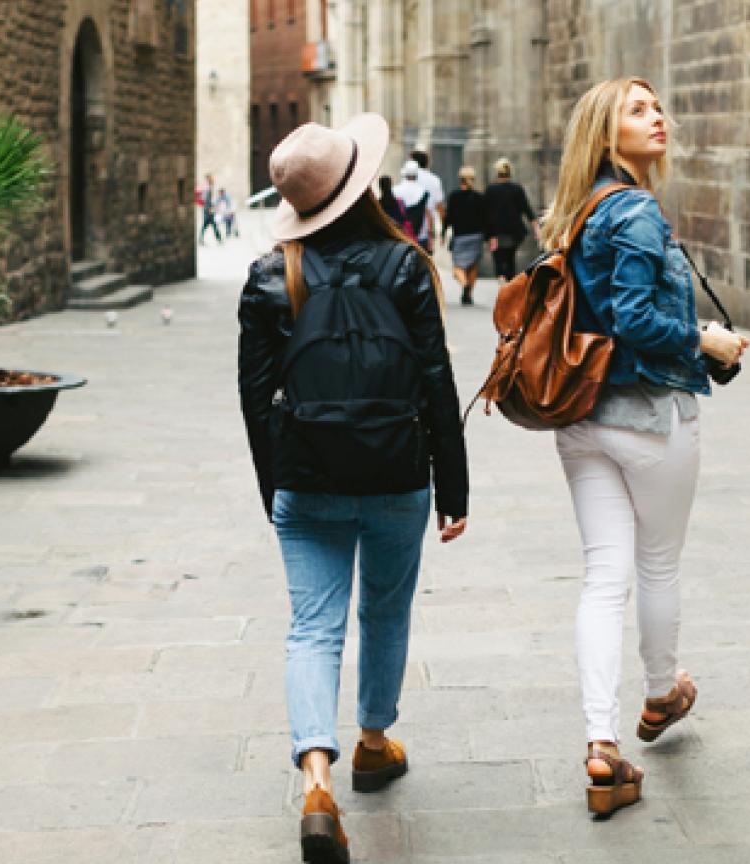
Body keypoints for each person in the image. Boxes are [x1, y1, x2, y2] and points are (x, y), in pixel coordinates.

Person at [237, 114, 470, 864]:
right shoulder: (405, 266)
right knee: (385, 610)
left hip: (307, 478)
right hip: (398, 473)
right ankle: (372, 742)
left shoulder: (272, 274)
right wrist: (453, 490)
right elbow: (437, 383)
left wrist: (277, 489)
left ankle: (315, 783)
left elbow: (253, 397)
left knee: (312, 628)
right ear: (362, 184)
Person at [544, 77, 749, 816]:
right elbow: (634, 318)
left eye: (659, 105)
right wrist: (709, 338)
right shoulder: (632, 210)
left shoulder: (580, 210)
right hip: (647, 415)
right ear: (605, 136)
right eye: (638, 110)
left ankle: (602, 747)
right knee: (656, 564)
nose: (658, 117)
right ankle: (661, 694)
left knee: (604, 576)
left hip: (580, 417)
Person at [484, 158, 540, 285]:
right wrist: (537, 229)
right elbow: (527, 210)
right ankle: (508, 284)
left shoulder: (490, 190)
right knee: (510, 258)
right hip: (514, 232)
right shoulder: (517, 189)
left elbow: (485, 214)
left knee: (498, 259)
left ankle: (502, 281)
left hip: (495, 233)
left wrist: (488, 234)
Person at [442, 165, 489, 305]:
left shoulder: (454, 196)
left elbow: (448, 217)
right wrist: (488, 235)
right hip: (476, 235)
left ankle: (464, 284)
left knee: (457, 266)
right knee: (473, 266)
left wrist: (444, 231)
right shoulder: (479, 197)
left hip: (460, 236)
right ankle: (468, 293)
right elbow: (485, 218)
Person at [410, 149, 446, 252]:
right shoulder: (434, 180)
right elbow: (439, 206)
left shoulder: (407, 179)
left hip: (408, 230)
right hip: (427, 230)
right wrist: (443, 229)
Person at [394, 160, 431, 250]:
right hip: (421, 235)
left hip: (401, 235)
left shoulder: (395, 191)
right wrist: (431, 235)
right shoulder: (424, 192)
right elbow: (428, 214)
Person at [199, 173, 222, 245]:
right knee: (210, 224)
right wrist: (210, 208)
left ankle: (218, 238)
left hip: (208, 209)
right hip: (208, 209)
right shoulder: (207, 188)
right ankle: (218, 239)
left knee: (210, 224)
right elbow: (206, 199)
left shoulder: (208, 187)